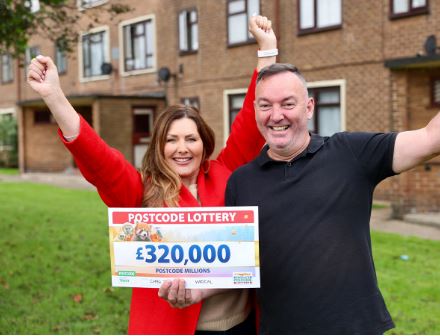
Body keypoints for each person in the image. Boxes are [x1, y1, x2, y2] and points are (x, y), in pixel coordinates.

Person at [225, 6, 440, 334]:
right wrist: (191, 288)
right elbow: (238, 272)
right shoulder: (241, 182)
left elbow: (433, 138)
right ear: (255, 110)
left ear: (309, 107)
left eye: (288, 103)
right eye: (266, 105)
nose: (276, 115)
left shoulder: (350, 153)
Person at [27, 15, 277, 335]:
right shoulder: (142, 190)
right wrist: (54, 97)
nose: (182, 148)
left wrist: (267, 52)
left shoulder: (226, 172)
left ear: (205, 142)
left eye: (191, 138)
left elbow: (251, 120)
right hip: (174, 327)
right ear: (158, 146)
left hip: (240, 325)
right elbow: (99, 158)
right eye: (171, 140)